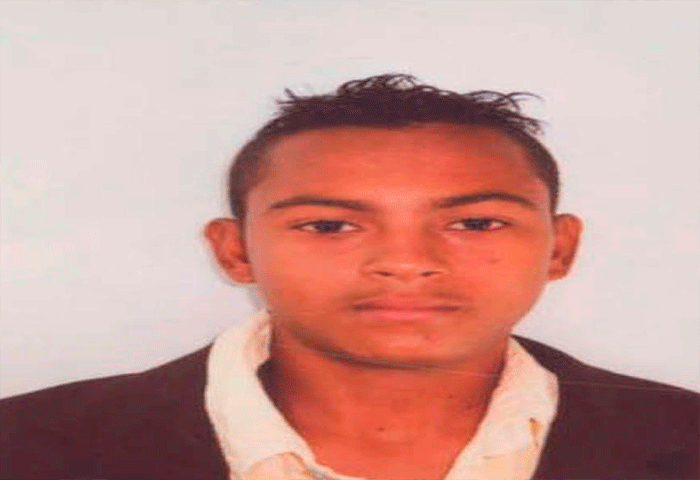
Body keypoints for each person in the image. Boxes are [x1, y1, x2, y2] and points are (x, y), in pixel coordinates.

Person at [1, 74, 697, 480]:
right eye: (330, 226)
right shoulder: (26, 447)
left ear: (559, 248)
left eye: (476, 222)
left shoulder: (682, 440)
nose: (406, 261)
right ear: (236, 251)